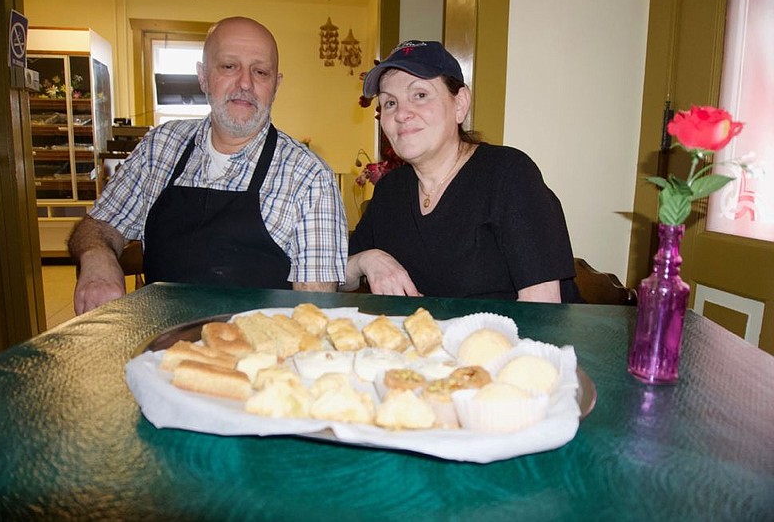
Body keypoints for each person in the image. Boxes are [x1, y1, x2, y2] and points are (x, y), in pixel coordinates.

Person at [69, 17, 348, 315]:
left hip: (256, 354)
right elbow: (98, 225)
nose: (245, 83)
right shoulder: (160, 147)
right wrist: (97, 257)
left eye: (261, 71)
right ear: (202, 76)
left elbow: (313, 314)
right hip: (159, 348)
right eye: (229, 66)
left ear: (275, 85)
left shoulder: (309, 178)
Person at [342, 40, 578, 302]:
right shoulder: (391, 190)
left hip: (516, 340)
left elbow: (542, 310)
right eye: (389, 103)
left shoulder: (508, 174)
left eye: (420, 95)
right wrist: (368, 260)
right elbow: (340, 276)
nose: (401, 114)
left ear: (460, 104)